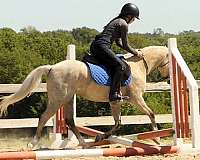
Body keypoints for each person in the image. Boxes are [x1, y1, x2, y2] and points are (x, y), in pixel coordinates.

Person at [90, 3, 143, 102]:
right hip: (102, 47)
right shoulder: (123, 24)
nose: (134, 20)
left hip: (95, 46)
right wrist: (136, 53)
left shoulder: (116, 21)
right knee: (121, 66)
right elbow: (125, 45)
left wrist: (132, 50)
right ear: (129, 16)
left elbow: (118, 43)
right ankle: (114, 94)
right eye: (134, 18)